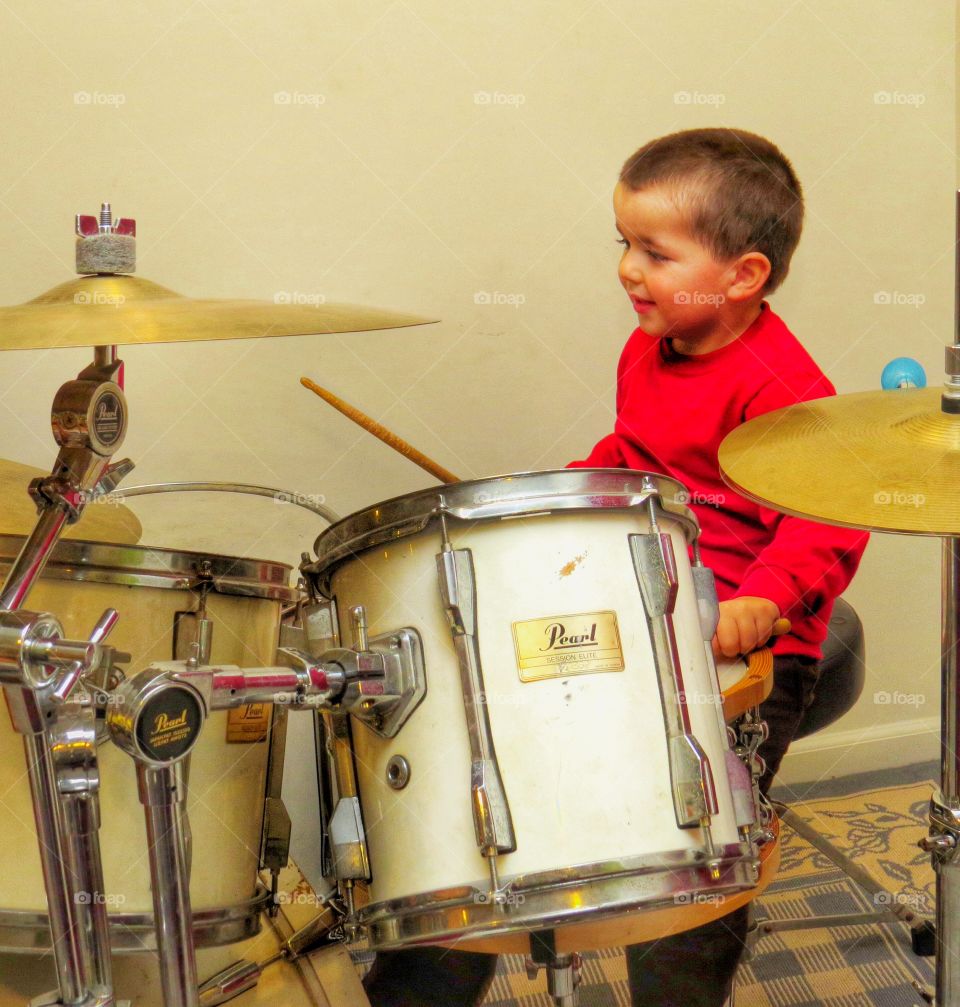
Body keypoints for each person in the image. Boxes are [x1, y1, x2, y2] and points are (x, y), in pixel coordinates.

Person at [364, 127, 869, 1006]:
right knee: (492, 769)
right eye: (624, 244)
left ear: (743, 274)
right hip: (644, 605)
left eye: (655, 252)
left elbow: (830, 524)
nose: (629, 270)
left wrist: (765, 599)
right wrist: (572, 494)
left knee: (696, 841)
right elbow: (636, 450)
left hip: (749, 646)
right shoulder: (652, 345)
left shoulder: (781, 386)